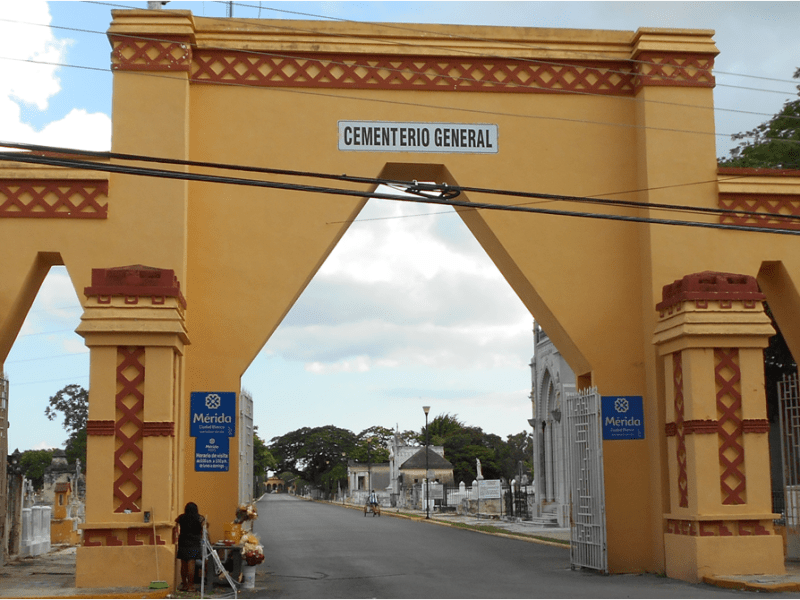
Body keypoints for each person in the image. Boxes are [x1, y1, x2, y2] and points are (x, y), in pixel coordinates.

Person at [175, 502, 206, 592]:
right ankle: (191, 586)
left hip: (183, 541)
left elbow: (175, 522)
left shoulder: (181, 517)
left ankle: (184, 584)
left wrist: (178, 533)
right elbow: (205, 527)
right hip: (194, 542)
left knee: (183, 564)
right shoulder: (200, 518)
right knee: (191, 563)